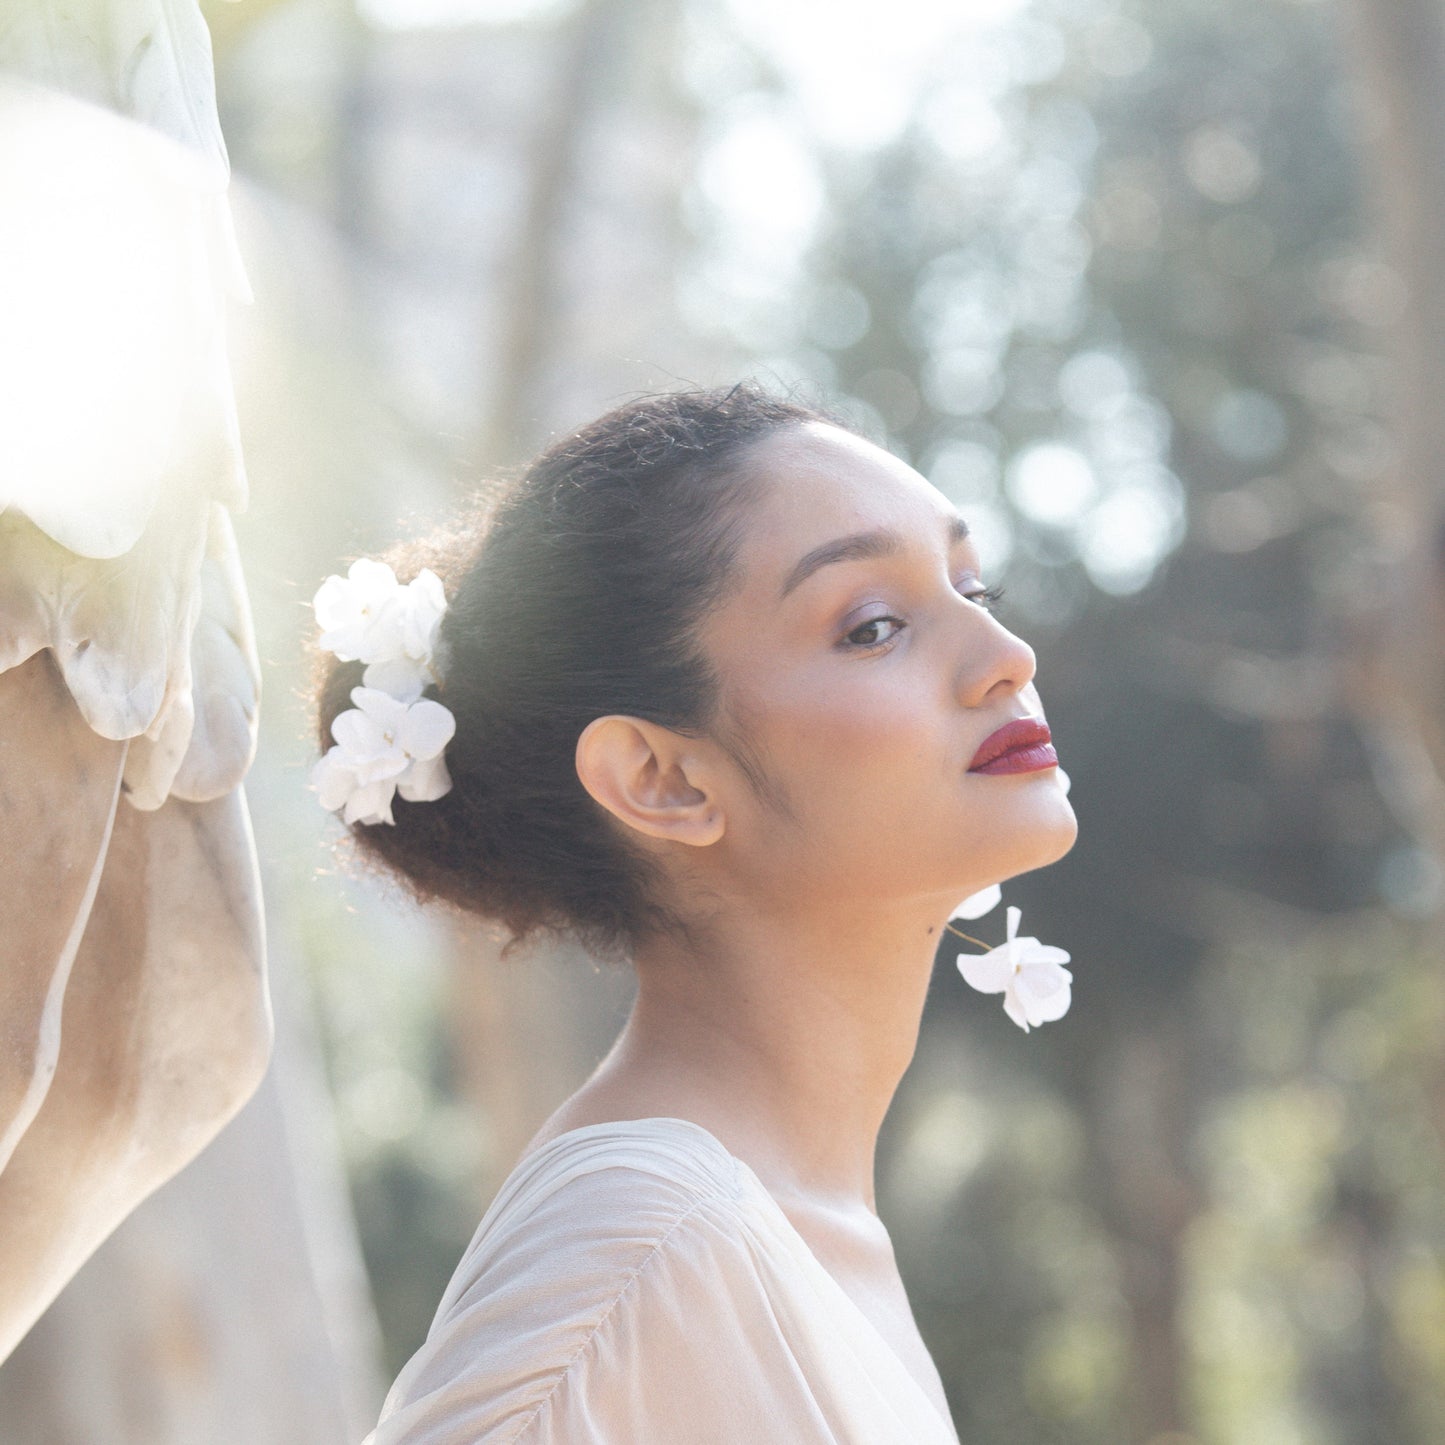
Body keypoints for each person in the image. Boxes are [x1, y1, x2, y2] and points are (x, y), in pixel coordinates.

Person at [312, 384, 1077, 1443]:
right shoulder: (638, 1249)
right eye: (874, 625)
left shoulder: (772, 1228)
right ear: (661, 777)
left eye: (969, 583)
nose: (1006, 654)